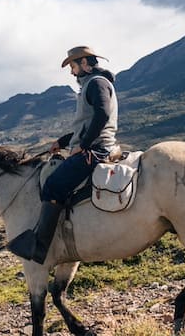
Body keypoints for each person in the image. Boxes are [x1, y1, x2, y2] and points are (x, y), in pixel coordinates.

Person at [7, 46, 118, 264]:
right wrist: (63, 142)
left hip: (96, 149)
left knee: (52, 186)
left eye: (74, 66)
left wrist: (84, 145)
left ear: (85, 63)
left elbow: (102, 115)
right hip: (95, 146)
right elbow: (85, 123)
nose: (72, 72)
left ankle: (40, 247)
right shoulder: (94, 84)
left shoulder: (95, 83)